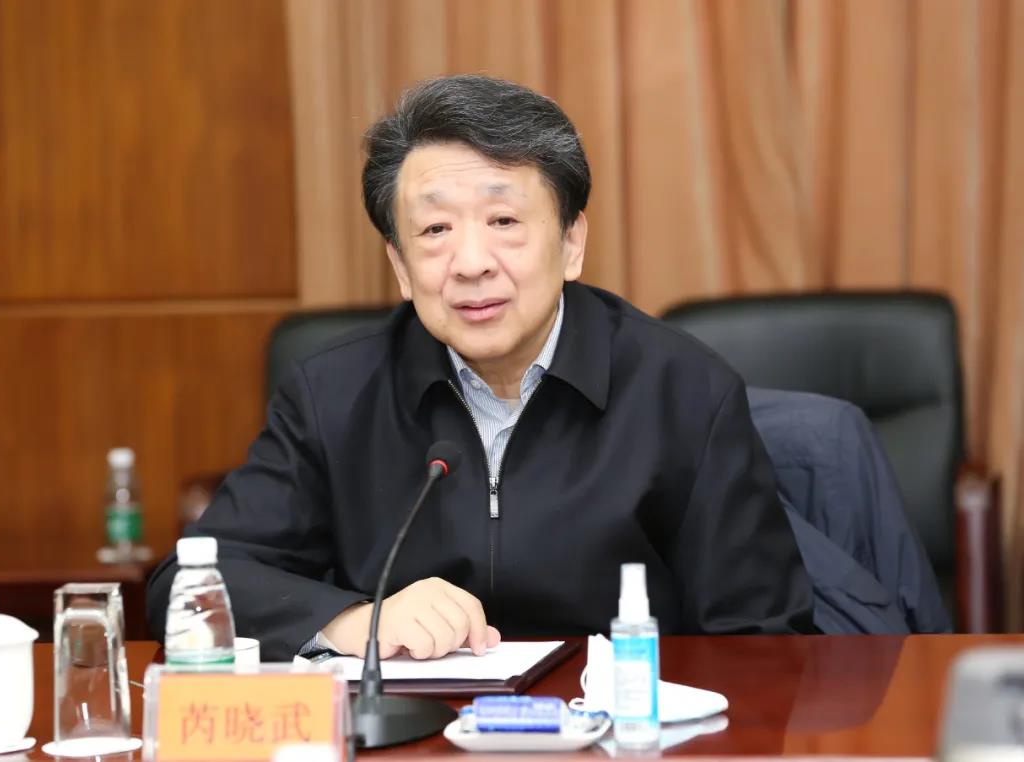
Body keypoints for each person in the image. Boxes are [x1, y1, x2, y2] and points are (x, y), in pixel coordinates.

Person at [147, 74, 816, 662]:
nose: (471, 263)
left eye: (503, 220)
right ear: (400, 265)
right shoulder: (333, 394)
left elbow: (764, 640)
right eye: (435, 231)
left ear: (572, 241)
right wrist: (353, 621)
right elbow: (186, 587)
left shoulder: (684, 390)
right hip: (414, 735)